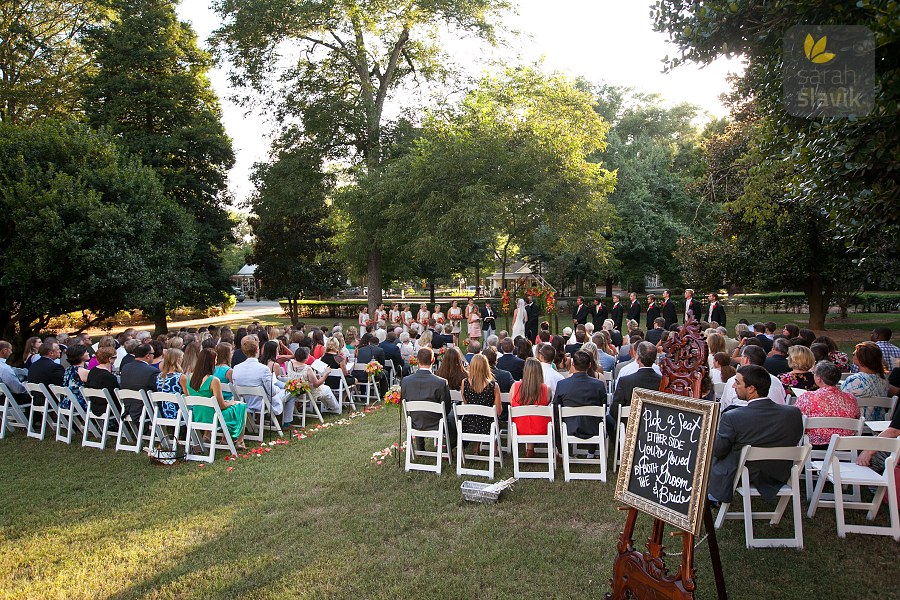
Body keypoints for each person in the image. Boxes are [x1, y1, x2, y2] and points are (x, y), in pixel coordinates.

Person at [707, 365, 804, 505]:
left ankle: (713, 495)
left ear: (751, 388)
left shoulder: (732, 417)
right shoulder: (793, 413)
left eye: (738, 382)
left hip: (742, 473)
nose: (734, 386)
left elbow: (718, 451)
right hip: (779, 472)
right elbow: (795, 438)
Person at [182, 348, 247, 451]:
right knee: (241, 406)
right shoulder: (213, 380)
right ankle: (239, 441)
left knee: (218, 408)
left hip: (197, 416)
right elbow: (221, 406)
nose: (216, 362)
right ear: (211, 362)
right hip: (213, 417)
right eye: (215, 359)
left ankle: (207, 436)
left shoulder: (188, 377)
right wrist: (231, 403)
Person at [606, 342, 662, 445]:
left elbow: (615, 409)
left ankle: (618, 446)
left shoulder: (626, 381)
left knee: (608, 418)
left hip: (629, 426)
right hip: (655, 427)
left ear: (638, 359)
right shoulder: (662, 381)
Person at [795, 361, 861, 448]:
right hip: (845, 445)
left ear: (819, 379)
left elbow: (795, 416)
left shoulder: (808, 397)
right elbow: (857, 416)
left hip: (814, 445)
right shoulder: (851, 398)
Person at [401, 347, 456, 450]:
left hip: (415, 422)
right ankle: (450, 447)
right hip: (436, 423)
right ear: (433, 360)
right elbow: (447, 408)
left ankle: (420, 447)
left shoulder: (406, 381)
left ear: (417, 360)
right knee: (452, 417)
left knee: (419, 412)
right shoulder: (441, 382)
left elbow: (404, 401)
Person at [231, 335, 291, 429]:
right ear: (257, 351)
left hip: (245, 401)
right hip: (261, 402)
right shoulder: (263, 369)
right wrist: (278, 389)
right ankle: (287, 421)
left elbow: (235, 387)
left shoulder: (236, 368)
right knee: (289, 391)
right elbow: (272, 392)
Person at [554, 350, 607, 449]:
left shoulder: (562, 384)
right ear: (590, 365)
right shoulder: (598, 385)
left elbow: (556, 408)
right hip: (593, 427)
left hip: (569, 426)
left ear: (573, 364)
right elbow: (603, 406)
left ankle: (562, 452)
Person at [719, 345, 787, 410]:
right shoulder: (776, 381)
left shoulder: (733, 381)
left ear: (746, 360)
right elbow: (782, 404)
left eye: (741, 357)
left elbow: (724, 406)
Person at [510, 357, 551, 458]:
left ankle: (530, 448)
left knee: (527, 417)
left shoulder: (515, 387)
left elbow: (512, 405)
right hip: (542, 429)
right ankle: (530, 448)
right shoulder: (547, 389)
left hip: (520, 428)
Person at [459, 354, 501, 451]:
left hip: (469, 425)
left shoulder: (464, 383)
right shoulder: (493, 386)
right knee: (492, 418)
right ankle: (494, 449)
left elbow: (466, 403)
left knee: (476, 416)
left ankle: (476, 447)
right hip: (488, 426)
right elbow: (498, 411)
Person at [841, 341, 889, 418]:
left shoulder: (855, 380)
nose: (853, 355)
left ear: (861, 359)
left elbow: (841, 402)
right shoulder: (883, 379)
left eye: (854, 354)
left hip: (856, 423)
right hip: (879, 422)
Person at [291, 347, 340, 414]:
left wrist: (314, 376)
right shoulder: (307, 369)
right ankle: (335, 408)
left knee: (324, 390)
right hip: (308, 392)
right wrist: (326, 374)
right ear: (306, 357)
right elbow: (316, 384)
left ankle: (329, 407)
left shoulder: (290, 364)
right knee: (326, 389)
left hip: (294, 391)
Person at [119, 343, 159, 422]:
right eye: (153, 354)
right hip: (145, 408)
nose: (153, 356)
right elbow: (156, 390)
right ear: (147, 356)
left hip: (128, 406)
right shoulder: (151, 371)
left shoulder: (125, 367)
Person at [85, 347, 119, 416]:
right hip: (109, 409)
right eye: (115, 357)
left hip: (94, 407)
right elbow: (117, 395)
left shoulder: (92, 371)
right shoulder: (109, 377)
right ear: (109, 359)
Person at [154, 347, 185, 420]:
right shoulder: (181, 377)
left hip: (166, 411)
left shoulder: (159, 376)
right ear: (178, 359)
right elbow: (187, 396)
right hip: (180, 413)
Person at [61, 345, 90, 411]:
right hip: (78, 404)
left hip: (66, 402)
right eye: (86, 352)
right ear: (80, 356)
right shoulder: (82, 371)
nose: (88, 353)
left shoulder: (68, 369)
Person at [0, 340, 30, 405]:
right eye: (10, 350)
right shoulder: (4, 368)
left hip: (3, 398)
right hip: (5, 400)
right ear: (4, 351)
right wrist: (29, 387)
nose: (11, 352)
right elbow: (18, 389)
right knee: (35, 397)